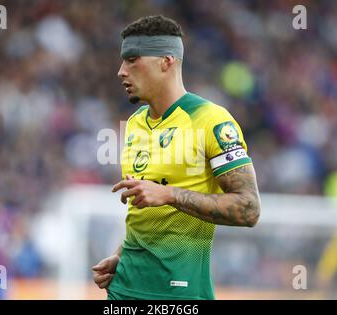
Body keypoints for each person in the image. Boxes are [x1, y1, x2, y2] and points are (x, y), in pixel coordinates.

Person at [92, 15, 261, 300]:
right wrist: (121, 255)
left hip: (181, 295)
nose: (121, 71)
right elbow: (146, 211)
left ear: (166, 61)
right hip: (124, 290)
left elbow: (249, 209)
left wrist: (170, 194)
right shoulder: (134, 123)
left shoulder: (211, 120)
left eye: (132, 59)